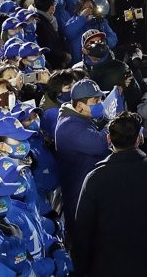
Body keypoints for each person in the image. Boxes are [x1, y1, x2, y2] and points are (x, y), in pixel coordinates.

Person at [73, 112, 147, 277]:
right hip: (146, 261)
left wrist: (82, 267)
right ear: (138, 139)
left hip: (106, 264)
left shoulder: (95, 178)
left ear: (109, 140)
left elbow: (83, 229)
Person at [53, 79, 110, 231]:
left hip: (88, 189)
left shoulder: (80, 116)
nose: (99, 104)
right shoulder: (69, 125)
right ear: (79, 105)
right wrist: (111, 126)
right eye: (95, 100)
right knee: (83, 240)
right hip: (78, 196)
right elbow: (99, 144)